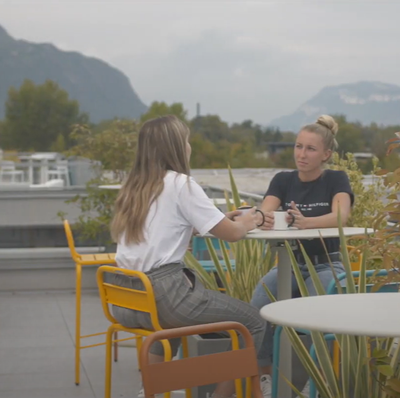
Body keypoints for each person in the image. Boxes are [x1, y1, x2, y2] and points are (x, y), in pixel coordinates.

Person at [110, 115, 266, 398]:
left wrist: (214, 220)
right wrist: (249, 220)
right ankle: (221, 395)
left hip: (127, 297)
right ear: (175, 148)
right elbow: (232, 234)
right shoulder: (182, 184)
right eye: (186, 140)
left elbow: (161, 229)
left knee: (175, 326)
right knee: (253, 322)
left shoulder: (134, 186)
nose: (189, 146)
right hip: (164, 296)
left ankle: (150, 391)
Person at [251, 115, 354, 398]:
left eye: (310, 149)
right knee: (257, 307)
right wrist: (261, 218)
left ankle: (315, 381)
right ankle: (263, 380)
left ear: (326, 154)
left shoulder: (335, 179)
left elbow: (341, 215)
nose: (302, 154)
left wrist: (304, 222)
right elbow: (264, 212)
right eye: (298, 146)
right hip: (288, 265)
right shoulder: (283, 180)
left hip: (326, 264)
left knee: (312, 315)